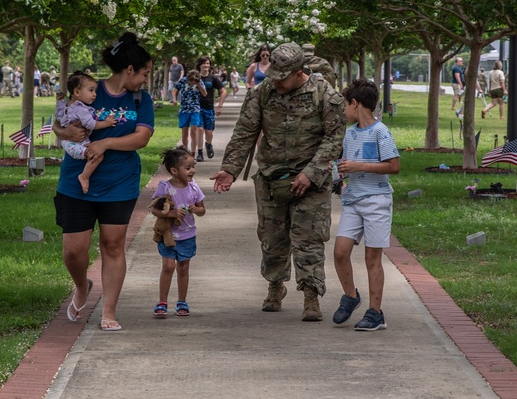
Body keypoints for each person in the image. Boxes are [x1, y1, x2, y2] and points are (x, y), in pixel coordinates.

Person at [211, 42, 346, 322]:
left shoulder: (325, 95)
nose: (276, 81)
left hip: (311, 180)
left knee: (309, 240)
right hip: (272, 179)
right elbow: (244, 132)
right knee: (272, 240)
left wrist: (310, 172)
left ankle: (311, 295)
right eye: (273, 74)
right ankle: (275, 286)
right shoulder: (263, 93)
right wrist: (229, 169)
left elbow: (334, 138)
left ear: (298, 72)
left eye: (281, 77)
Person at [52, 32, 154, 332]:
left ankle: (108, 311)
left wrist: (107, 142)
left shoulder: (140, 99)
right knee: (73, 250)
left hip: (119, 183)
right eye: (145, 73)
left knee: (112, 245)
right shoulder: (90, 89)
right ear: (130, 69)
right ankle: (82, 285)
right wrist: (63, 133)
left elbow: (142, 137)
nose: (146, 79)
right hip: (76, 181)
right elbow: (59, 121)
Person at [330, 79, 400, 331]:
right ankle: (350, 296)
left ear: (355, 103)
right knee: (340, 252)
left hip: (376, 201)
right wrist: (337, 180)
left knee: (372, 257)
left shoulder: (380, 132)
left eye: (345, 106)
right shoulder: (350, 133)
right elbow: (343, 164)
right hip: (353, 201)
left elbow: (394, 166)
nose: (343, 112)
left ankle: (375, 313)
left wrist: (359, 166)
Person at [149, 148, 207, 319]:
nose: (192, 171)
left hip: (187, 235)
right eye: (187, 168)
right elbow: (154, 209)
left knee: (183, 268)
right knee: (168, 267)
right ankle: (162, 302)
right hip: (167, 236)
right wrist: (171, 214)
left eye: (192, 167)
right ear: (174, 171)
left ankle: (182, 301)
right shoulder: (164, 188)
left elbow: (203, 209)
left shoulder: (194, 188)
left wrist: (197, 209)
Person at [56, 71, 119, 194]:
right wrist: (107, 123)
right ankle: (84, 176)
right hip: (75, 144)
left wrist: (58, 101)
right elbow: (90, 124)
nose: (94, 94)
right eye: (91, 90)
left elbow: (58, 115)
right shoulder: (80, 108)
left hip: (69, 143)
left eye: (95, 91)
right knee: (97, 155)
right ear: (77, 92)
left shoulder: (68, 105)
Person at [195, 55, 227, 162]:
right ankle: (199, 153)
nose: (206, 65)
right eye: (204, 63)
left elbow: (223, 91)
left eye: (208, 63)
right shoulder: (195, 77)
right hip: (197, 108)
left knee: (209, 132)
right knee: (199, 129)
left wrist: (220, 106)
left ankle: (208, 144)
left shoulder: (212, 78)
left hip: (209, 108)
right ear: (199, 65)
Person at [173, 69, 207, 155]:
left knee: (193, 132)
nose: (192, 83)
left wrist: (198, 83)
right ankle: (185, 152)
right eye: (191, 81)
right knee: (184, 133)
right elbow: (175, 89)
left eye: (194, 81)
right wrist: (174, 99)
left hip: (195, 109)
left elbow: (205, 94)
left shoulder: (199, 82)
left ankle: (193, 153)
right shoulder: (183, 80)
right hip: (184, 109)